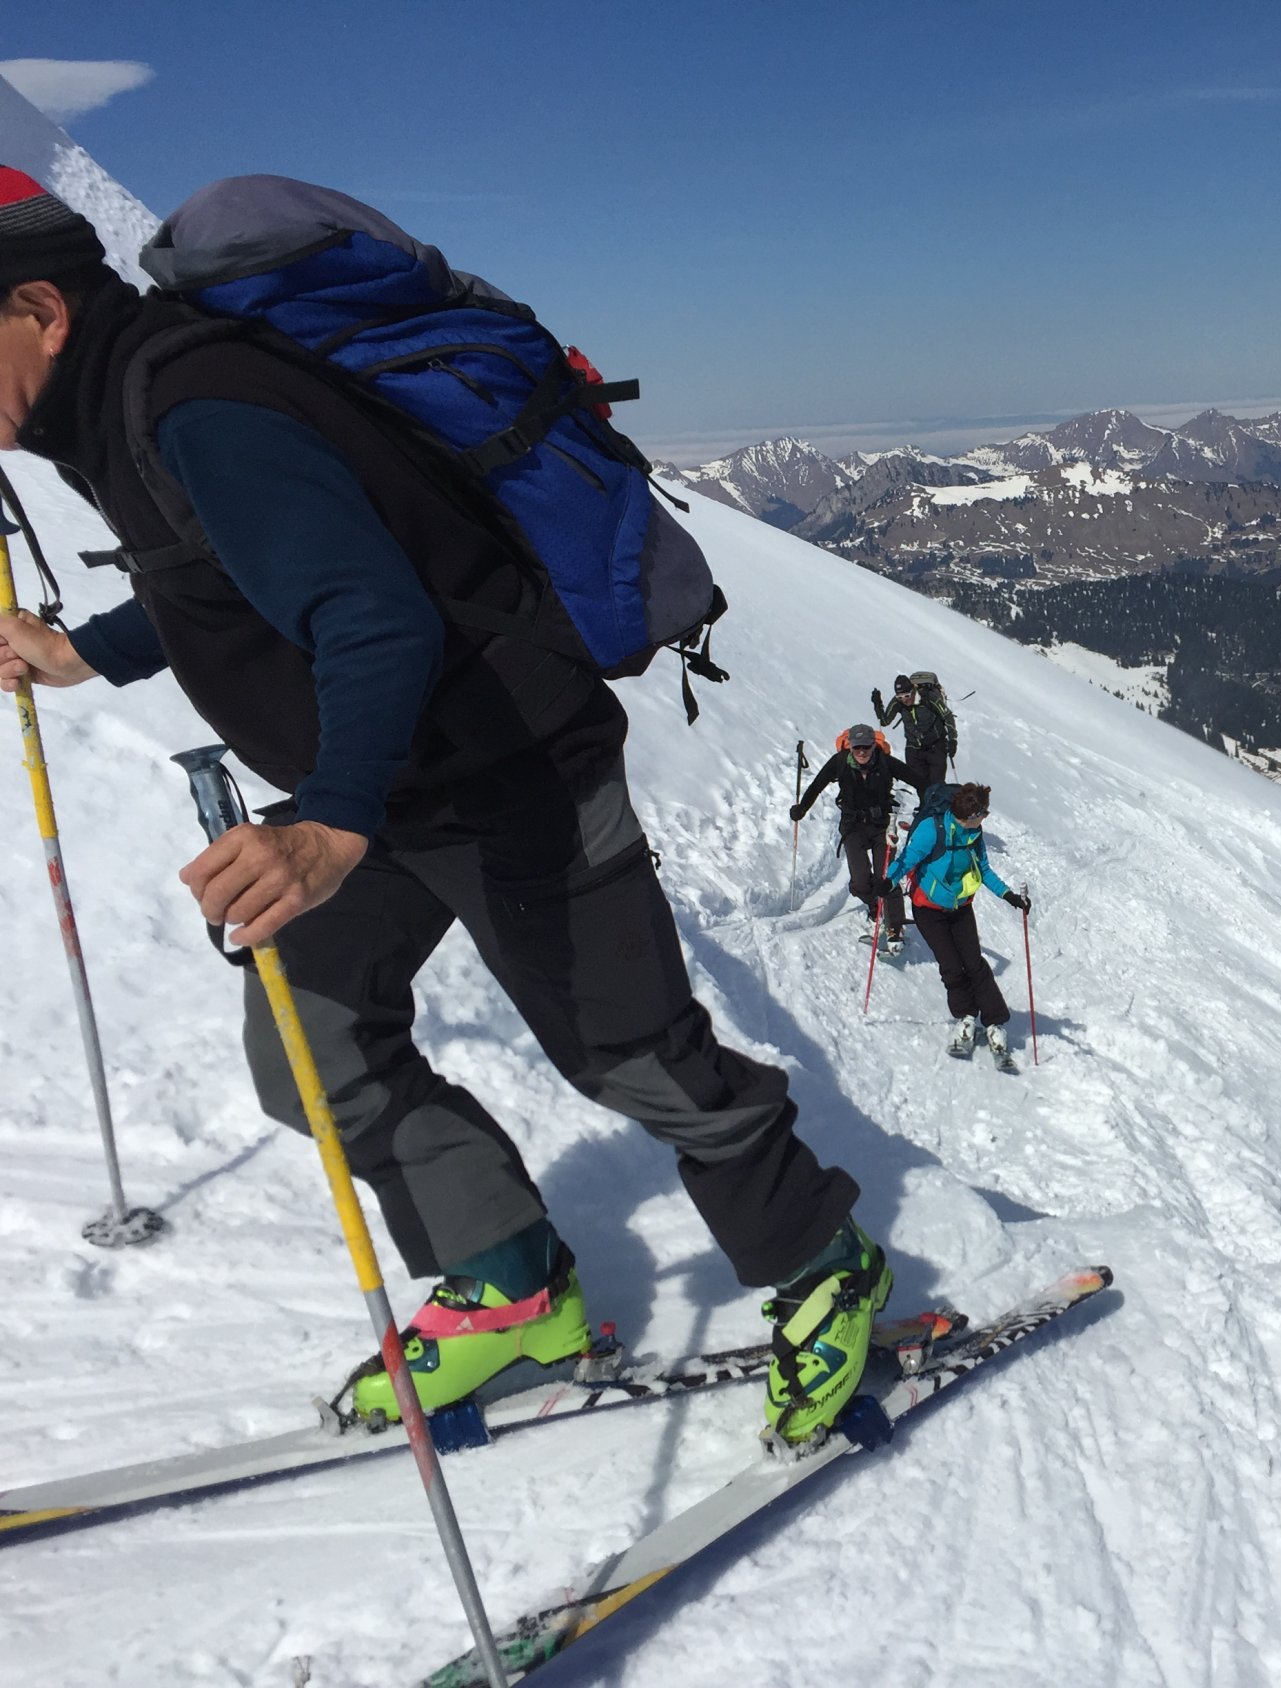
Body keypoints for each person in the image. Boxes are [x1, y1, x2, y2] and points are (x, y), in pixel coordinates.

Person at [0, 169, 888, 1446]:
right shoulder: (133, 408)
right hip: (379, 781)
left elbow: (371, 613)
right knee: (315, 1049)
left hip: (508, 763)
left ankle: (822, 1260)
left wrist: (329, 823)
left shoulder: (195, 402)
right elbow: (230, 571)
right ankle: (510, 1282)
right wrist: (87, 651)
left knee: (632, 1052)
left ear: (39, 308)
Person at [883, 782, 1029, 1067]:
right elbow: (906, 860)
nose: (985, 818)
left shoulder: (974, 833)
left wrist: (1008, 895)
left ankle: (995, 1021)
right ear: (971, 814)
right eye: (983, 814)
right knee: (951, 965)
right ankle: (966, 1016)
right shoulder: (932, 830)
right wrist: (886, 882)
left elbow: (983, 869)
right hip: (928, 909)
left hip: (960, 906)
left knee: (974, 963)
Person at [791, 723, 912, 951]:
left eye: (867, 746)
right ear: (850, 747)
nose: (862, 752)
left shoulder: (885, 762)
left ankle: (895, 927)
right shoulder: (840, 762)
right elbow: (817, 785)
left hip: (881, 826)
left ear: (874, 746)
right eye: (857, 747)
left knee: (887, 875)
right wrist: (802, 808)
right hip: (853, 827)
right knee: (860, 881)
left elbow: (918, 780)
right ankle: (874, 905)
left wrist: (935, 800)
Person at [871, 669, 956, 794]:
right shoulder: (897, 702)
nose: (904, 700)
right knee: (920, 784)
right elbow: (885, 721)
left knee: (937, 784)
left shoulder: (929, 698)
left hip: (936, 745)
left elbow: (947, 716)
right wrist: (877, 704)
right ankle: (924, 805)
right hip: (914, 749)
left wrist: (953, 740)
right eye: (900, 697)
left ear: (913, 690)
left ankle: (938, 804)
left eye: (907, 695)